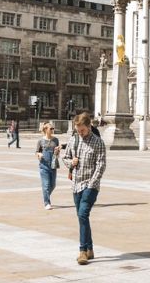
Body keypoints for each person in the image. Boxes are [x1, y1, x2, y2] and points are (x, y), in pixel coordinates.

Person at [63, 112, 107, 265]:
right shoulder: (74, 140)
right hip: (76, 184)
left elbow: (101, 165)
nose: (80, 133)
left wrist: (91, 184)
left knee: (82, 214)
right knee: (82, 218)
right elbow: (65, 158)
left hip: (90, 185)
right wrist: (71, 163)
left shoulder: (98, 143)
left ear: (89, 127)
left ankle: (82, 251)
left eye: (82, 130)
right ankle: (90, 248)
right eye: (78, 130)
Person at [36, 122, 61, 210]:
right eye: (51, 129)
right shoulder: (40, 141)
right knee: (46, 185)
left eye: (53, 128)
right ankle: (47, 202)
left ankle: (45, 195)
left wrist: (57, 151)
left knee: (53, 185)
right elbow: (37, 152)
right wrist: (39, 155)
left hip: (53, 165)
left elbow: (57, 153)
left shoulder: (56, 140)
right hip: (44, 165)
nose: (52, 130)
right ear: (46, 130)